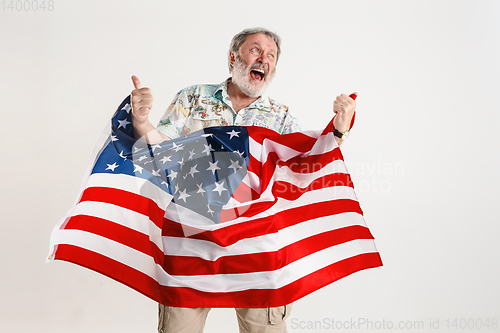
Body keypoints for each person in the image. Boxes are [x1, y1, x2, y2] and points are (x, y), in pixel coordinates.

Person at [129, 27, 357, 333]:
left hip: (257, 246)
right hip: (191, 242)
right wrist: (141, 121)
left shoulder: (281, 117)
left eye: (271, 55)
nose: (264, 58)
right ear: (233, 57)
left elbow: (307, 166)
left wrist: (339, 130)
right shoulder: (192, 97)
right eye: (255, 50)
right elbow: (160, 153)